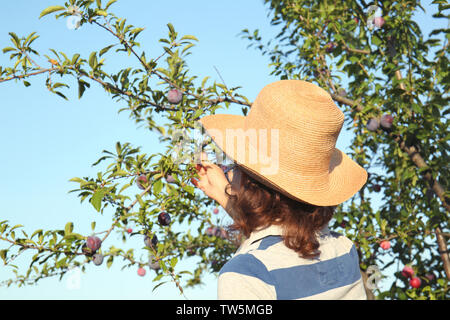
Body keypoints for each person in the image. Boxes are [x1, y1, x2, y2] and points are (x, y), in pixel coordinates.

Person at [191, 80, 368, 300]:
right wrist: (225, 196)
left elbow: (266, 258)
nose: (229, 171)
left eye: (236, 165)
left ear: (251, 184)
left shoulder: (246, 275)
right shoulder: (343, 251)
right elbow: (281, 245)